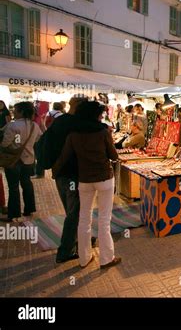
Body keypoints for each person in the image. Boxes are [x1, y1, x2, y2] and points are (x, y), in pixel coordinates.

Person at [52, 101, 121, 269]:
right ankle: (106, 258)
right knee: (104, 220)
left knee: (84, 219)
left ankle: (84, 258)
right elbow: (113, 155)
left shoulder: (74, 134)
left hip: (84, 180)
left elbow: (64, 156)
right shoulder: (103, 132)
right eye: (100, 114)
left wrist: (55, 172)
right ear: (95, 115)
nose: (101, 116)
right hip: (104, 179)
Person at [39, 95, 105, 264]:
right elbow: (97, 128)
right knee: (75, 213)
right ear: (79, 106)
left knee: (74, 211)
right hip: (72, 175)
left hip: (61, 173)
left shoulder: (62, 121)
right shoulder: (76, 123)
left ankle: (81, 240)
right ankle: (66, 251)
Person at [0, 102, 42, 222]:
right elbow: (38, 138)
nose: (13, 112)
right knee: (27, 184)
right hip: (28, 160)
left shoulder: (13, 126)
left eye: (16, 110)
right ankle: (29, 209)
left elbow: (5, 143)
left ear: (22, 112)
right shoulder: (35, 125)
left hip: (13, 161)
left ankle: (14, 214)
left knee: (13, 187)